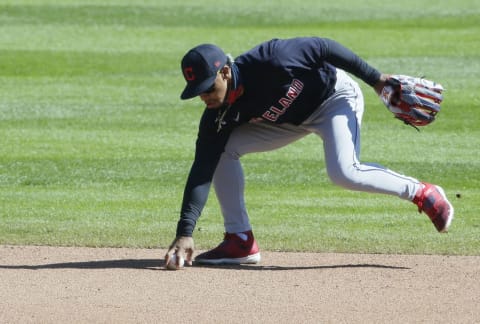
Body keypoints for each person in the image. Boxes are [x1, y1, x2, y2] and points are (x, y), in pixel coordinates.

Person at [164, 37, 454, 267]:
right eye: (197, 92)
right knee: (219, 151)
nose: (204, 97)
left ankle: (422, 192)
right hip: (289, 121)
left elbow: (323, 47)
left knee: (344, 172)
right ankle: (240, 240)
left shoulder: (272, 59)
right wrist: (185, 232)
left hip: (334, 99)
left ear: (225, 72)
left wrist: (376, 80)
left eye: (207, 87)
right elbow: (201, 169)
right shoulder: (216, 115)